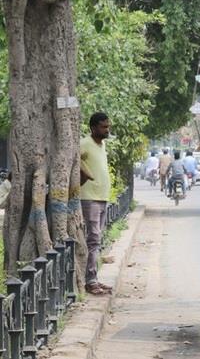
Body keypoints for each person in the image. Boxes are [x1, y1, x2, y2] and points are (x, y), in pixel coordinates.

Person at [80, 112, 113, 296]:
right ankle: (90, 281)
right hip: (89, 197)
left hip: (102, 197)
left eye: (107, 126)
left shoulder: (102, 145)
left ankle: (94, 278)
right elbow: (72, 158)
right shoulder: (85, 143)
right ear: (93, 128)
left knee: (97, 239)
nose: (106, 130)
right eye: (103, 126)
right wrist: (86, 175)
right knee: (93, 239)